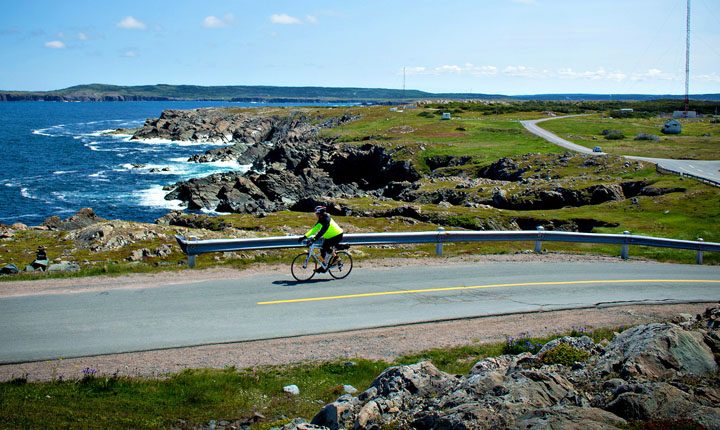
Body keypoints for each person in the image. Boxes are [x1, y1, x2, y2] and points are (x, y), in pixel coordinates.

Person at [298, 205, 344, 272]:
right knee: (322, 250)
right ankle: (323, 266)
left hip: (337, 235)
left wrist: (314, 239)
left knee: (326, 247)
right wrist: (304, 237)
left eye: (316, 213)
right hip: (329, 236)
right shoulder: (321, 219)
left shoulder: (327, 219)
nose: (315, 215)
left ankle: (337, 259)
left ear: (320, 213)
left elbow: (322, 231)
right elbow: (314, 229)